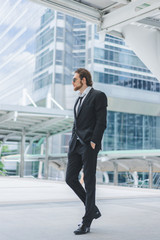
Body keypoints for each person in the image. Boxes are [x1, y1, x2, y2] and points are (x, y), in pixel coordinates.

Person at [66, 68, 107, 235]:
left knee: (89, 183)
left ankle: (87, 221)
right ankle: (93, 209)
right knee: (70, 179)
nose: (73, 82)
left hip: (89, 145)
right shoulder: (78, 100)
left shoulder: (98, 95)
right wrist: (71, 143)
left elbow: (101, 122)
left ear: (84, 80)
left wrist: (94, 141)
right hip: (75, 146)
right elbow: (77, 124)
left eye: (75, 79)